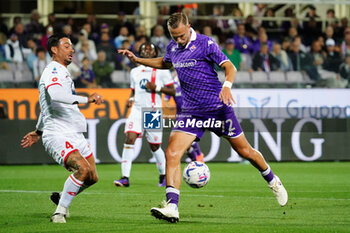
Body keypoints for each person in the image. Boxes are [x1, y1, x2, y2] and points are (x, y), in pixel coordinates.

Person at [119, 13, 288, 223]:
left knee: (246, 151)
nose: (178, 40)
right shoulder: (173, 47)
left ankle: (273, 181)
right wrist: (138, 59)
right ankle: (172, 206)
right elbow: (165, 62)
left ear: (189, 27)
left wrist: (226, 86)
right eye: (174, 36)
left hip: (217, 108)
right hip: (191, 111)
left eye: (181, 35)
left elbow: (229, 67)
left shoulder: (205, 43)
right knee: (172, 152)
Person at [20, 33, 104, 223]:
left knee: (92, 177)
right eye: (66, 46)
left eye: (72, 46)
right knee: (81, 168)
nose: (72, 49)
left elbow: (47, 106)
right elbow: (57, 95)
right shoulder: (53, 71)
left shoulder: (63, 72)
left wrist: (38, 131)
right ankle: (59, 212)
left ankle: (62, 196)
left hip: (73, 132)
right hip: (58, 133)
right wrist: (87, 98)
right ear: (54, 50)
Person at [114, 42, 175, 187]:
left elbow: (173, 91)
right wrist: (131, 99)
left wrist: (157, 87)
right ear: (140, 53)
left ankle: (163, 175)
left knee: (155, 146)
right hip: (136, 110)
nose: (147, 51)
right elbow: (134, 92)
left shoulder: (162, 71)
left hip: (152, 112)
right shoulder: (134, 72)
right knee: (130, 138)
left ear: (155, 53)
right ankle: (125, 177)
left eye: (150, 49)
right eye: (144, 49)